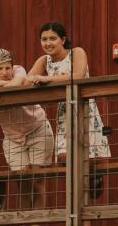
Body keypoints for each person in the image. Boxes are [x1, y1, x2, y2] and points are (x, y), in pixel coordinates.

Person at [0, 48, 53, 226]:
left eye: (7, 68)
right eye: (0, 68)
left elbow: (15, 84)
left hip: (37, 129)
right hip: (12, 138)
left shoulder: (19, 71)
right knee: (22, 182)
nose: (5, 72)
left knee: (38, 180)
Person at [28, 21, 110, 166]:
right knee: (65, 161)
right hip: (64, 114)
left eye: (53, 38)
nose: (48, 43)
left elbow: (78, 75)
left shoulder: (76, 52)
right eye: (44, 39)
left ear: (63, 40)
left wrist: (47, 79)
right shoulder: (44, 60)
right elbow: (27, 80)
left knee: (92, 163)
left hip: (84, 110)